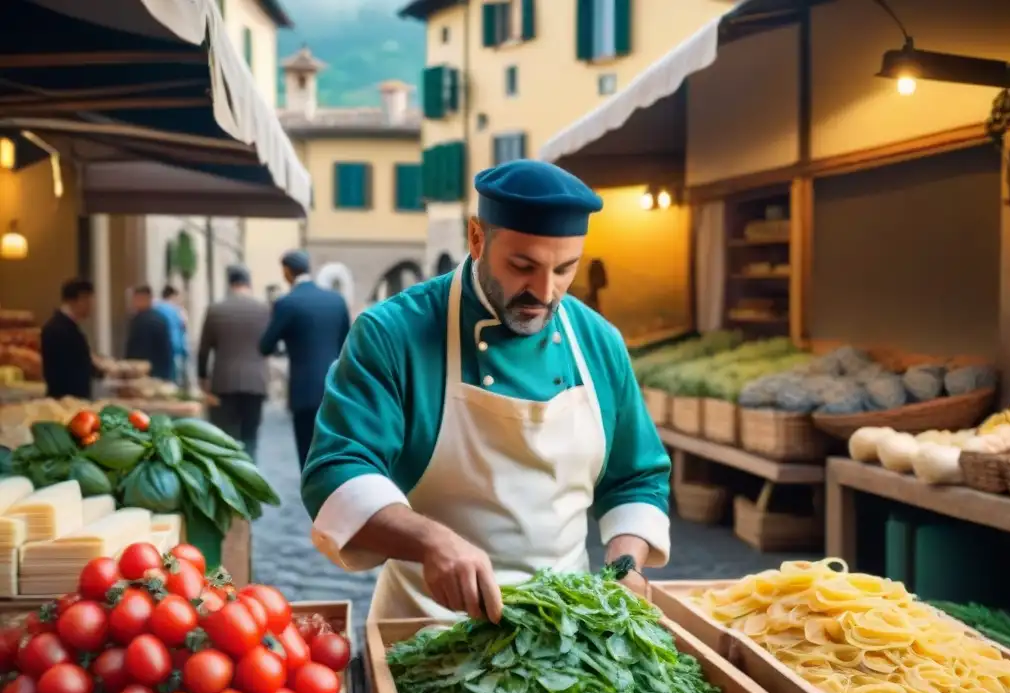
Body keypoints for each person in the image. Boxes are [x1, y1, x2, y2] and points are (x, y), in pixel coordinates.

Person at [302, 159, 671, 625]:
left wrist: (625, 565)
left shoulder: (600, 342)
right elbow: (336, 468)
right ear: (477, 238)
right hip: (425, 629)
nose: (545, 291)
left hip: (566, 636)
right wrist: (431, 540)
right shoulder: (392, 334)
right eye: (523, 265)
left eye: (565, 269)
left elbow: (635, 477)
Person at [259, 251, 351, 469]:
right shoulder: (336, 301)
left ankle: (312, 497)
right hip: (334, 387)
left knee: (306, 453)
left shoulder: (287, 303)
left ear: (287, 271)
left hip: (302, 389)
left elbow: (265, 346)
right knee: (333, 451)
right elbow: (346, 344)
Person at [197, 265, 272, 460]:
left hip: (223, 382)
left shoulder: (215, 310)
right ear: (249, 283)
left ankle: (228, 481)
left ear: (230, 283)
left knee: (224, 439)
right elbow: (270, 344)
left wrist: (202, 378)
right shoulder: (264, 310)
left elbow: (204, 349)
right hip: (256, 382)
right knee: (250, 437)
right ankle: (249, 474)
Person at [40, 278, 101, 399]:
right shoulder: (58, 329)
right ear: (78, 300)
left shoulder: (65, 325)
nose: (92, 306)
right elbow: (66, 369)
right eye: (89, 301)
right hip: (66, 400)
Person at [125, 285, 174, 382]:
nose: (133, 303)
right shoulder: (160, 318)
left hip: (146, 376)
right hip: (162, 374)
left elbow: (138, 351)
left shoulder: (141, 320)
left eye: (135, 299)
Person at [155, 285, 189, 386]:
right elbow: (182, 330)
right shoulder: (177, 311)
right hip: (175, 349)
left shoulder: (156, 309)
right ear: (173, 296)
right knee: (174, 382)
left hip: (160, 350)